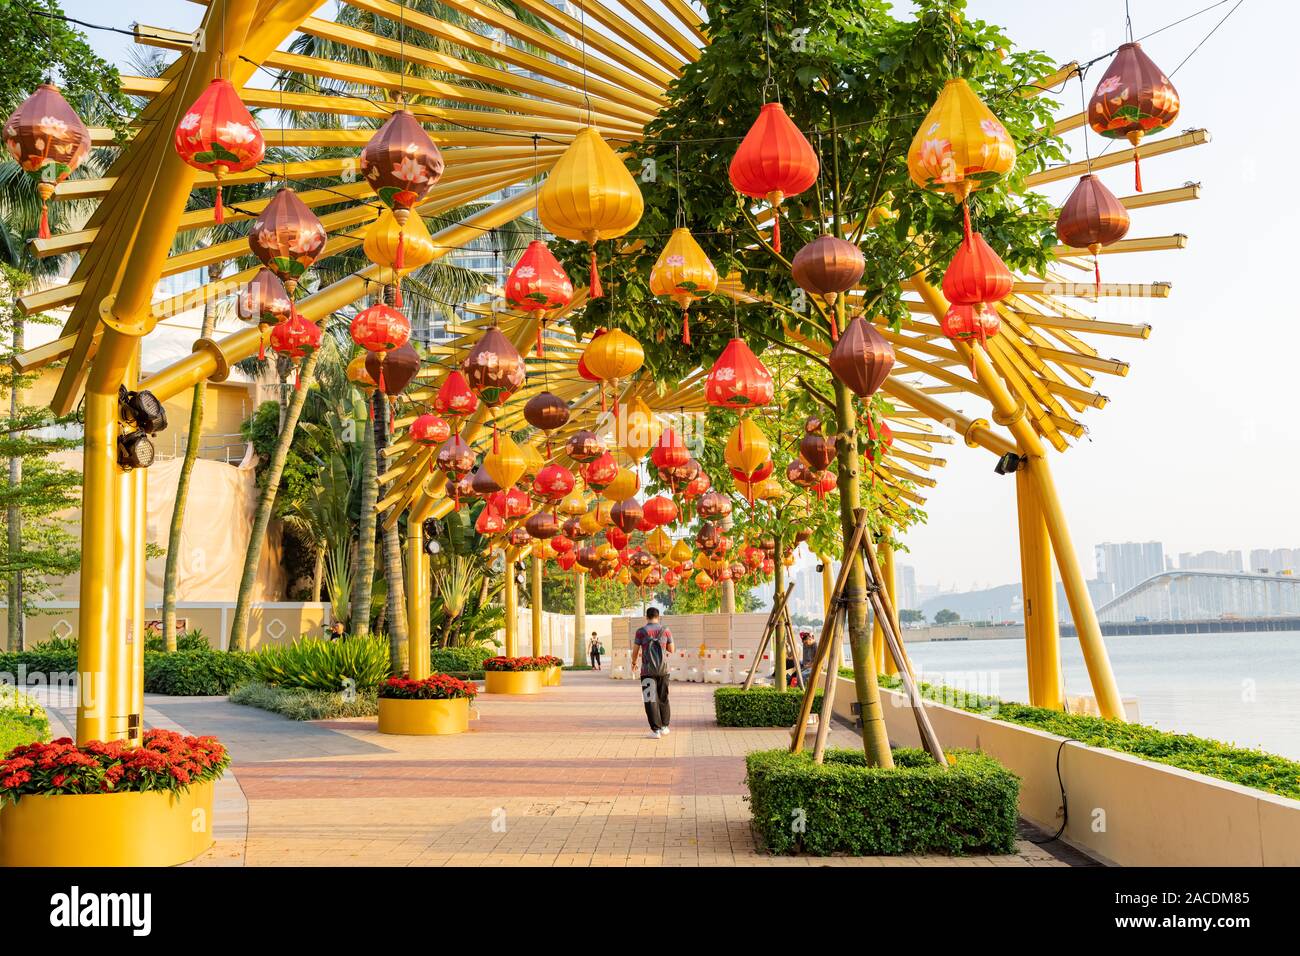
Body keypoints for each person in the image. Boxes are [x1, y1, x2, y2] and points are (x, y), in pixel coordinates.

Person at [631, 606, 673, 739]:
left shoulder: (641, 632)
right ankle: (665, 726)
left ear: (646, 617)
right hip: (663, 671)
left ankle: (655, 731)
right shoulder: (665, 630)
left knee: (650, 700)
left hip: (647, 671)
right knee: (663, 698)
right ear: (658, 616)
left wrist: (633, 663)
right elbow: (671, 649)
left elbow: (635, 651)